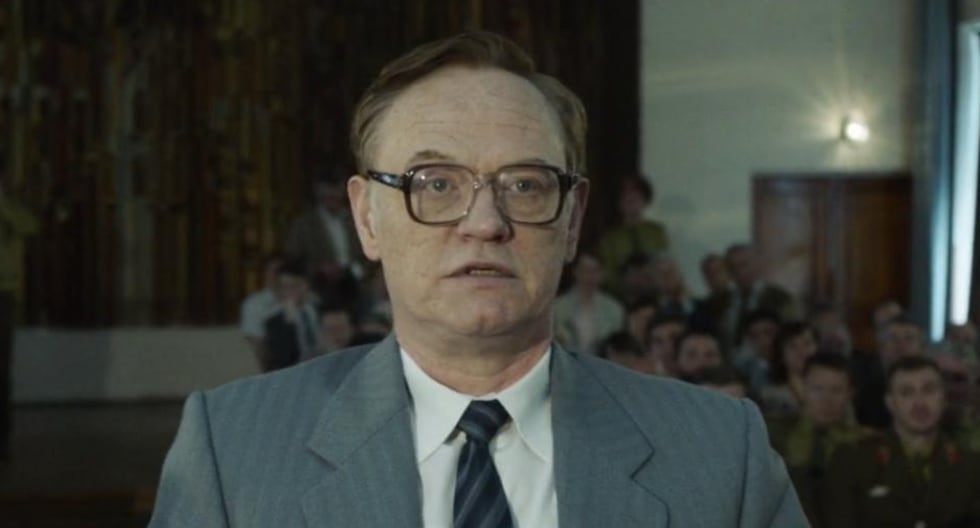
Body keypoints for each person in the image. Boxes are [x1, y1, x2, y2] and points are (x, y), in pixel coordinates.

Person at [149, 31, 805, 526]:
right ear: (366, 217)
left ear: (573, 220)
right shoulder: (233, 451)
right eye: (436, 184)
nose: (485, 223)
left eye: (525, 185)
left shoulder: (722, 456)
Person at [821, 356, 980, 527]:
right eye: (907, 392)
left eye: (929, 390)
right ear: (890, 402)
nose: (919, 403)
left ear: (943, 398)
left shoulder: (971, 465)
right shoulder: (853, 459)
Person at [768, 353, 870, 527]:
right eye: (817, 389)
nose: (826, 399)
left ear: (850, 394)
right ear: (802, 388)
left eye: (836, 391)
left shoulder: (865, 442)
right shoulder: (774, 435)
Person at [0, 180, 38, 460]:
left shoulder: (13, 204)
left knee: (1, 371)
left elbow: (30, 226)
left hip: (3, 292)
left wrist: (2, 202)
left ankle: (2, 440)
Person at [597, 175, 669, 295]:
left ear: (645, 200)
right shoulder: (610, 239)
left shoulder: (656, 232)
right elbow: (606, 275)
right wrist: (626, 282)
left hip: (656, 294)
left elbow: (665, 264)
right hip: (622, 297)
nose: (630, 198)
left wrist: (652, 277)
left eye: (636, 196)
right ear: (619, 202)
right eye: (625, 196)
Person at [552, 252, 625, 355]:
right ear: (575, 272)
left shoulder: (614, 309)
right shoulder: (558, 307)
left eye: (594, 271)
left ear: (603, 273)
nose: (589, 276)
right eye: (585, 270)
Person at [759, 321, 819, 419]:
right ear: (781, 353)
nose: (801, 351)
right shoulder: (770, 394)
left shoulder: (833, 387)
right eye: (793, 346)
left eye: (807, 343)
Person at [238, 253, 283, 361]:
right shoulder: (254, 303)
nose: (278, 276)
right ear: (265, 273)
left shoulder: (305, 299)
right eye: (275, 271)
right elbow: (256, 342)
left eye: (283, 271)